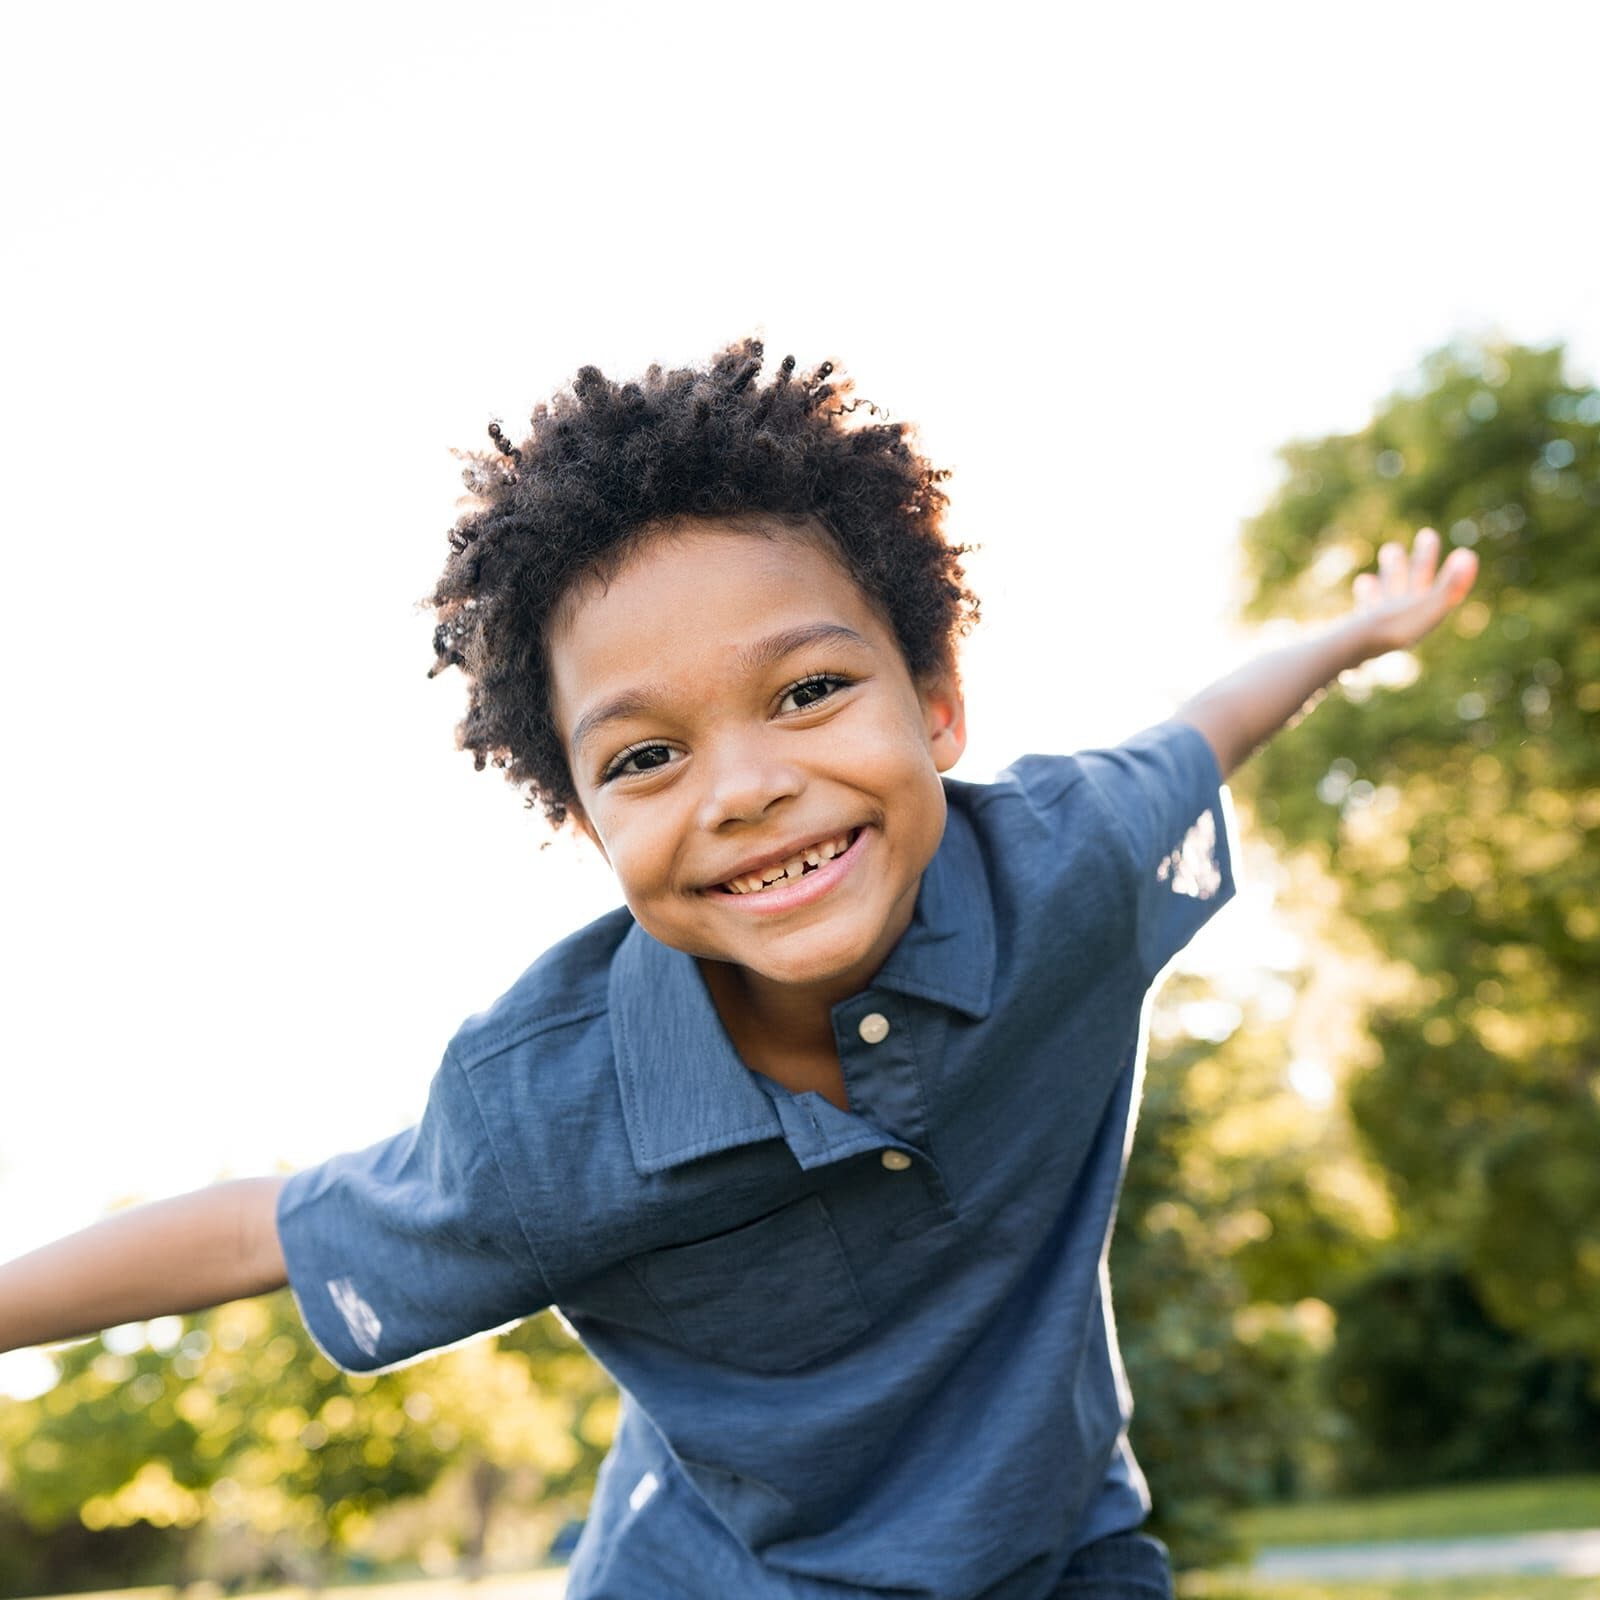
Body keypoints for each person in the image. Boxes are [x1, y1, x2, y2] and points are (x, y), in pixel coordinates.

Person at [0, 340, 1478, 1599]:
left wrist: (1356, 631)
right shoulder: (548, 1109)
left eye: (811, 690)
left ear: (939, 702)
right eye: (648, 756)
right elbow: (266, 1230)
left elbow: (1206, 725)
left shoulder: (1065, 864)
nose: (746, 785)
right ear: (586, 824)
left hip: (1055, 1553)